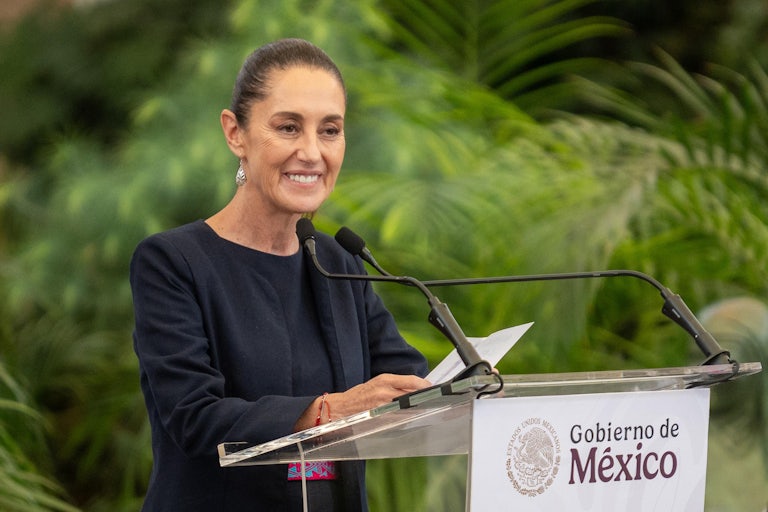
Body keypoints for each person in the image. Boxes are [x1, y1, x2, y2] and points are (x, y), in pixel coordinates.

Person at [129, 38, 430, 511]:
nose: (311, 152)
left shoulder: (338, 260)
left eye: (330, 130)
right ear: (236, 133)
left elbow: (405, 376)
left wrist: (466, 385)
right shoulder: (172, 262)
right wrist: (329, 410)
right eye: (288, 127)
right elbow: (194, 416)